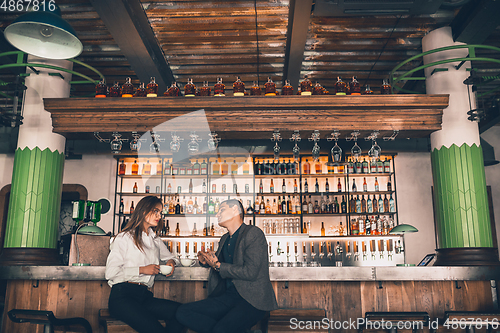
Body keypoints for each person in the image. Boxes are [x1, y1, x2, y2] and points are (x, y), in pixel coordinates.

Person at [176, 199, 278, 333]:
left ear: (235, 209)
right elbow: (218, 264)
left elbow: (250, 272)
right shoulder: (224, 238)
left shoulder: (253, 233)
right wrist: (205, 261)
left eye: (221, 210)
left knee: (221, 329)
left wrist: (217, 265)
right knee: (183, 312)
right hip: (228, 297)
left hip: (252, 300)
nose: (217, 214)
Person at [105, 196, 184, 333]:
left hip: (144, 296)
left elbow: (172, 258)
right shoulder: (124, 238)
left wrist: (171, 262)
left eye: (160, 212)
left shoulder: (155, 240)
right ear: (143, 211)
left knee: (183, 313)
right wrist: (142, 270)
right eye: (155, 211)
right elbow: (110, 272)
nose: (159, 215)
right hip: (122, 298)